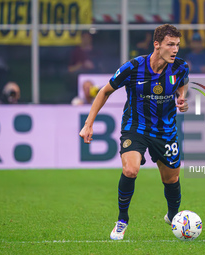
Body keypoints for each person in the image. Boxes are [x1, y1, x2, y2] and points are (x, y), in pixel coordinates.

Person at [79, 24, 189, 240]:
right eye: (170, 45)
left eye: (177, 45)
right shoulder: (133, 67)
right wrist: (89, 123)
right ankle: (122, 220)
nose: (175, 49)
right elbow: (105, 91)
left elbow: (181, 84)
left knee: (171, 179)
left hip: (165, 130)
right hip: (135, 127)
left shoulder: (180, 67)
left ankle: (173, 215)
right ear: (157, 45)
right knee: (130, 170)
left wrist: (181, 98)